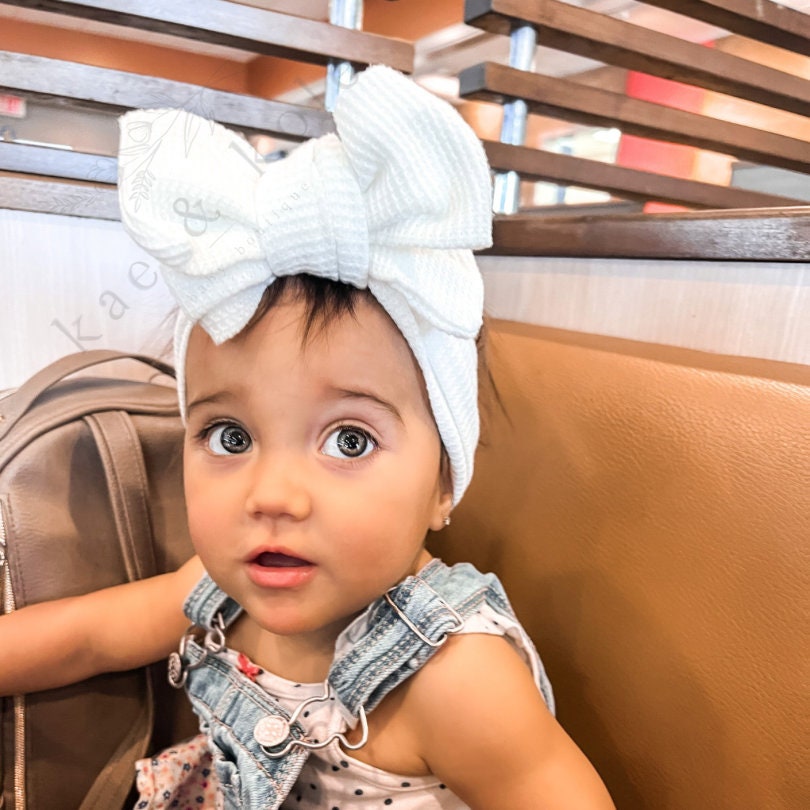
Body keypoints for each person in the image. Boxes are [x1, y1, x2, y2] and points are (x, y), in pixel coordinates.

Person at [1, 67, 614, 809]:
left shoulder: (457, 676)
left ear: (443, 483)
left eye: (348, 442)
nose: (273, 496)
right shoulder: (217, 593)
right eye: (231, 437)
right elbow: (86, 637)